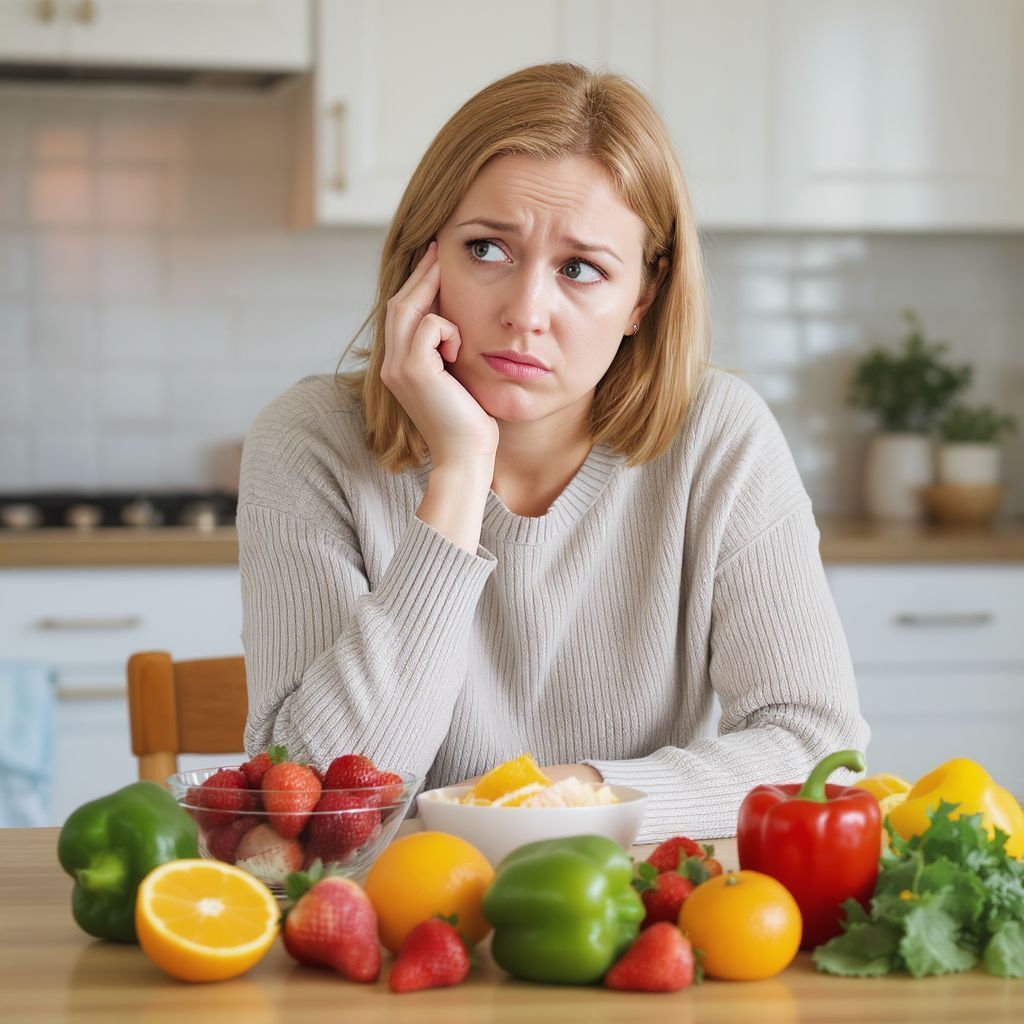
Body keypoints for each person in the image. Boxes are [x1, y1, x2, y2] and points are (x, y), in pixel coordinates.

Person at [238, 62, 868, 841]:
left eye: (580, 269)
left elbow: (817, 752)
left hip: (626, 905)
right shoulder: (310, 441)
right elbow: (314, 812)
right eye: (487, 249)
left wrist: (561, 799)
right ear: (423, 257)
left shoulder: (717, 438)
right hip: (392, 908)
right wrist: (459, 474)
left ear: (643, 297)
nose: (526, 312)